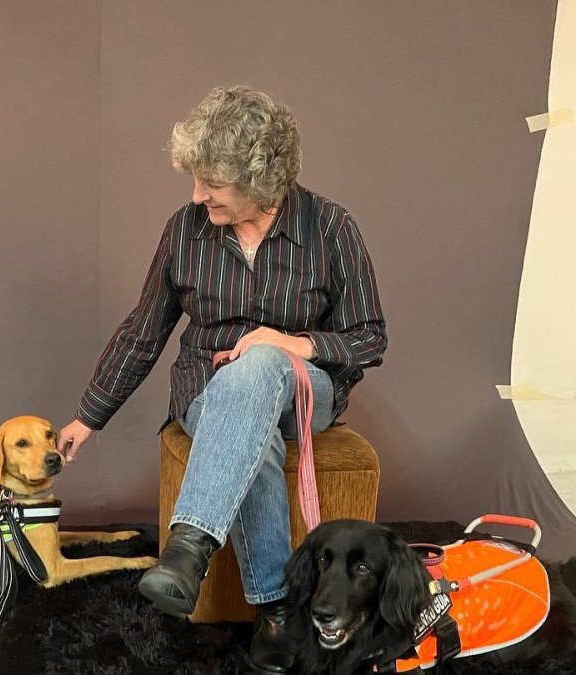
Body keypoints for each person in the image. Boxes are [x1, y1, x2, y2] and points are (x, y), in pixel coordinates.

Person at [58, 85, 387, 674]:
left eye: (212, 182)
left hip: (303, 393)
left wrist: (290, 344)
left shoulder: (332, 228)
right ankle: (277, 611)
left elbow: (369, 338)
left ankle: (189, 547)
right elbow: (145, 329)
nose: (196, 194)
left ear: (261, 179)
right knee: (253, 432)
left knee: (259, 363)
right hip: (205, 393)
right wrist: (89, 415)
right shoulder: (185, 230)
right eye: (196, 178)